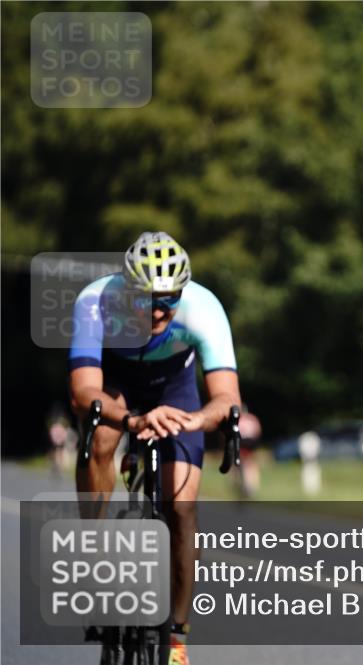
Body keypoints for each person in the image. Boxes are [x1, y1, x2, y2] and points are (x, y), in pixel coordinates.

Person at [68, 231, 240, 665]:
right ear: (128, 291)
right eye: (147, 298)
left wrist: (195, 420)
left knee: (181, 509)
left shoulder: (204, 308)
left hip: (174, 386)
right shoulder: (95, 301)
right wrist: (131, 421)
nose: (159, 308)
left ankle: (178, 638)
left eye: (169, 298)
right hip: (116, 381)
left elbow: (227, 397)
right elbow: (83, 391)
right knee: (102, 436)